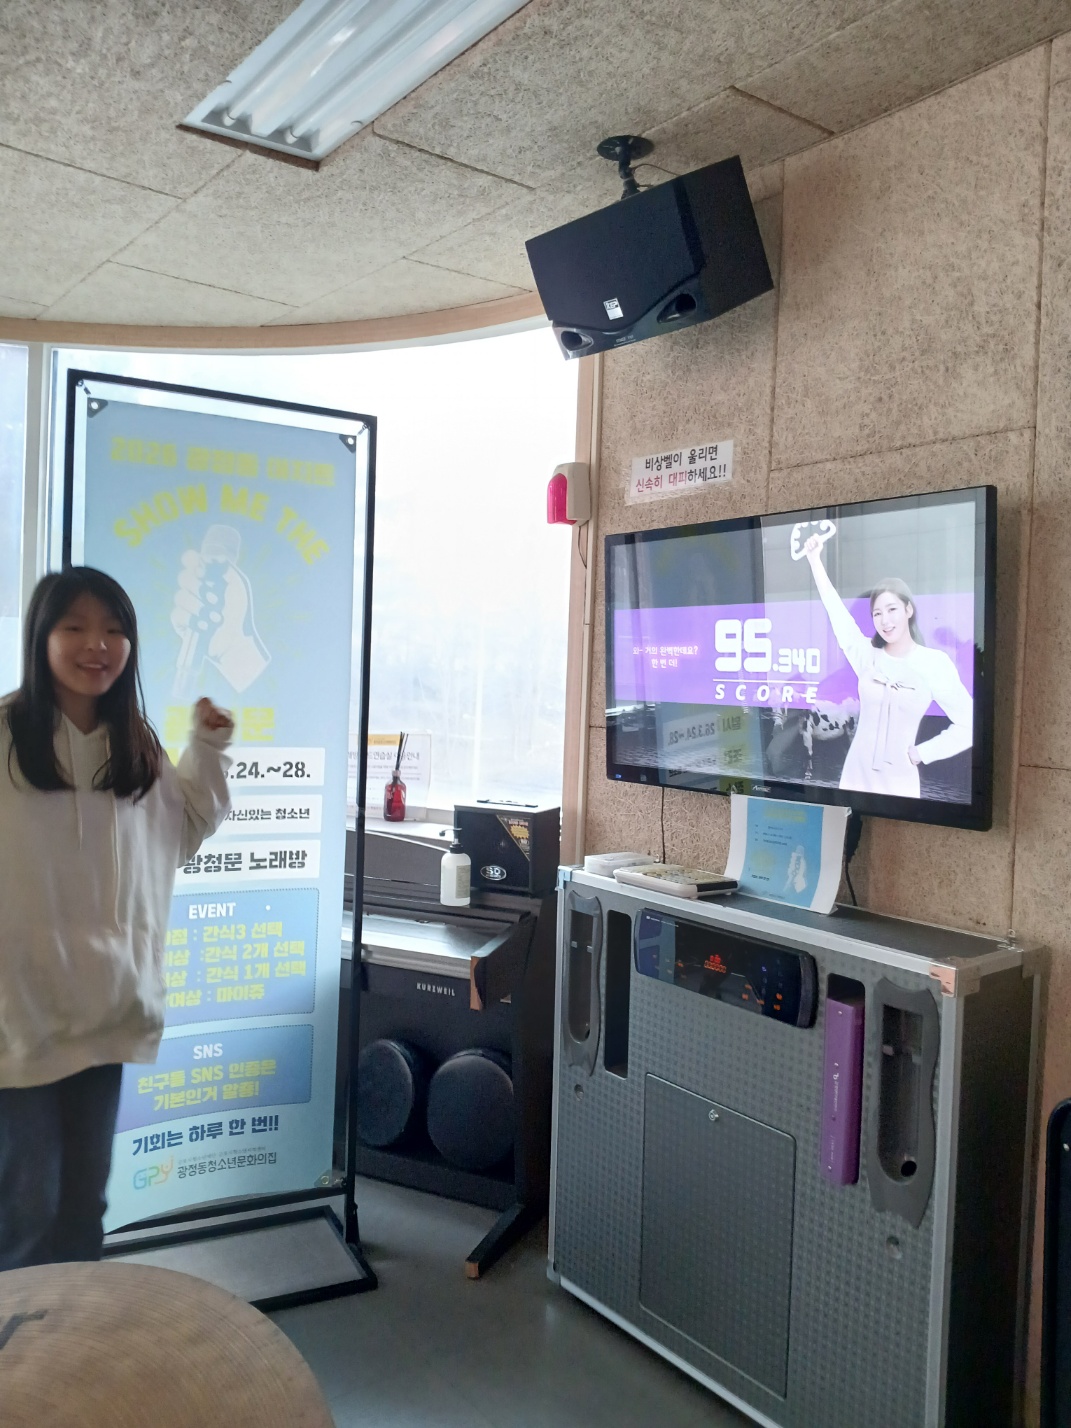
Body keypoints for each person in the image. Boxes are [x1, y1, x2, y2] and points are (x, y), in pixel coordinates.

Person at [0, 567, 233, 1269]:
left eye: (113, 629)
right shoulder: (5, 733)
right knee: (26, 1211)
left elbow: (177, 836)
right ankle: (23, 1341)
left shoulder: (137, 746)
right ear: (41, 637)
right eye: (74, 626)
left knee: (83, 1208)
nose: (95, 644)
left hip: (106, 1009)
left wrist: (207, 751)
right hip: (18, 1015)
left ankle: (78, 1337)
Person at [802, 532, 973, 798]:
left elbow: (969, 724)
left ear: (908, 610)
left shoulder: (933, 663)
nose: (885, 620)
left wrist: (922, 753)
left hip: (900, 781)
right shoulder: (868, 656)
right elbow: (837, 613)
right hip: (855, 775)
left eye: (892, 609)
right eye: (877, 613)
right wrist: (815, 560)